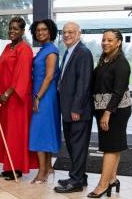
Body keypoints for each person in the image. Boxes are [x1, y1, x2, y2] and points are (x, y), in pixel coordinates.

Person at [0, 16, 38, 180]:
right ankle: (7, 164)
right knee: (5, 132)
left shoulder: (24, 49)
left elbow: (22, 76)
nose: (12, 31)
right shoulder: (7, 47)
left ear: (23, 31)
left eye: (16, 29)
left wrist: (7, 93)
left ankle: (16, 167)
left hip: (16, 99)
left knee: (16, 133)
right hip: (4, 99)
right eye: (10, 28)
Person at [87, 29, 131, 198]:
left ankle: (102, 185)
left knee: (109, 148)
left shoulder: (121, 63)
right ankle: (112, 179)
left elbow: (118, 92)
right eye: (104, 39)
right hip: (104, 109)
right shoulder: (105, 60)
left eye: (110, 40)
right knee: (114, 146)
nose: (105, 42)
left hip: (116, 111)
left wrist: (107, 113)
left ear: (118, 42)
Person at [55, 22, 94, 193]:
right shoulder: (69, 51)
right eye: (64, 32)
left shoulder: (83, 53)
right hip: (68, 109)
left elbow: (84, 84)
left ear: (79, 33)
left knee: (77, 146)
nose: (67, 35)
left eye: (71, 32)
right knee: (72, 145)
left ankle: (76, 182)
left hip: (78, 111)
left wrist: (76, 109)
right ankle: (79, 176)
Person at [28, 19, 61, 184]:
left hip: (45, 97)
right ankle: (48, 167)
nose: (40, 33)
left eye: (44, 30)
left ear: (50, 32)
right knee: (46, 132)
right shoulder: (43, 49)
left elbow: (49, 76)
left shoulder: (51, 51)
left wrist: (38, 97)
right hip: (42, 95)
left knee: (40, 132)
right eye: (38, 30)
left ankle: (42, 172)